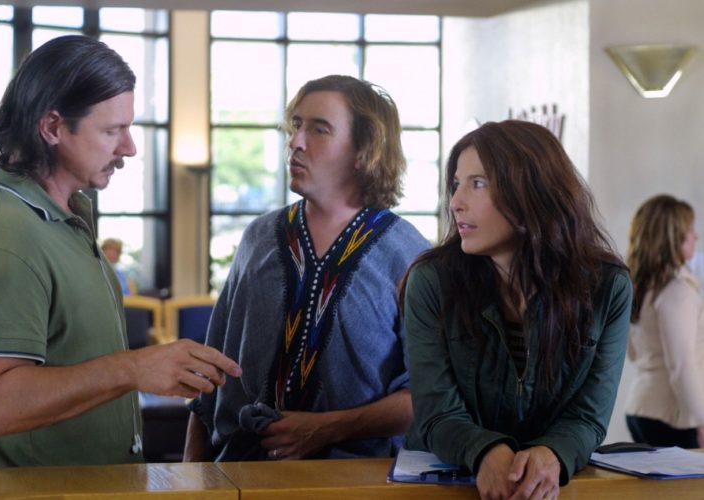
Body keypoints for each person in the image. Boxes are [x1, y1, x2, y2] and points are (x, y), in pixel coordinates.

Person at [0, 35, 241, 469]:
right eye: (112, 131)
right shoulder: (5, 237)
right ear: (53, 127)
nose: (129, 148)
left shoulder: (64, 214)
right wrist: (132, 369)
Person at [184, 74, 430, 462]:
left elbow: (427, 396)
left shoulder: (408, 254)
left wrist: (326, 428)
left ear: (363, 150)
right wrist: (191, 475)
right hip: (242, 474)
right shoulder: (259, 238)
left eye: (319, 129)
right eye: (296, 125)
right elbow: (210, 374)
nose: (296, 141)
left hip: (354, 482)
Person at [402, 120, 632, 499]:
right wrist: (485, 451)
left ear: (532, 191)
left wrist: (552, 453)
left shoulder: (607, 288)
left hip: (549, 489)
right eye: (456, 184)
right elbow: (436, 411)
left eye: (478, 183)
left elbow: (588, 416)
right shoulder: (431, 281)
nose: (456, 201)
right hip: (445, 487)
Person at [624, 195, 704, 448]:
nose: (695, 236)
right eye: (689, 230)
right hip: (672, 416)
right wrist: (701, 419)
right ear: (673, 236)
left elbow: (634, 353)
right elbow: (682, 365)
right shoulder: (677, 291)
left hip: (642, 409)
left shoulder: (640, 288)